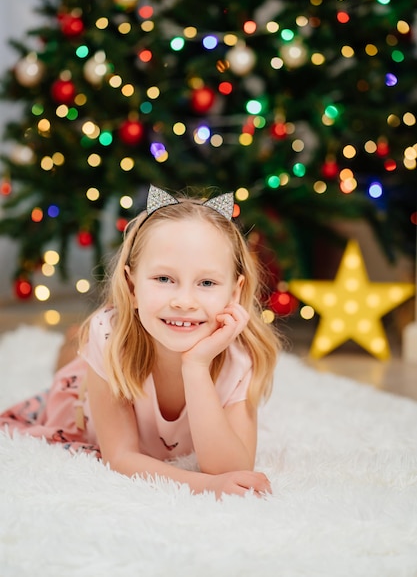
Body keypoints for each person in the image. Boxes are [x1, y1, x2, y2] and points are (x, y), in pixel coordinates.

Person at [0, 185, 282, 498]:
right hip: (88, 387)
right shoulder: (110, 340)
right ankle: (75, 346)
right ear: (132, 287)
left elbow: (233, 467)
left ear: (234, 292)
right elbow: (120, 456)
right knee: (72, 367)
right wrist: (205, 486)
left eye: (206, 282)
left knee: (84, 349)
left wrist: (197, 367)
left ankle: (76, 346)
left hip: (130, 345)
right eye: (164, 279)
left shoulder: (240, 355)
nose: (184, 301)